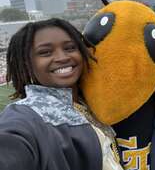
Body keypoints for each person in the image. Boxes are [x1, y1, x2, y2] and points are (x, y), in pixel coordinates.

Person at [0, 19, 123, 170]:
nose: (62, 57)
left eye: (70, 48)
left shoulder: (92, 102)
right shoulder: (25, 115)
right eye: (45, 52)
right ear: (27, 63)